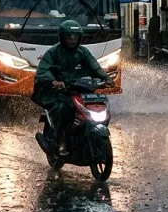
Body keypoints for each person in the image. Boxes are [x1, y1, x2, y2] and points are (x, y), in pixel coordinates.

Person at [33, 20, 110, 156]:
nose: (72, 40)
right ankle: (59, 140)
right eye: (69, 36)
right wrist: (54, 81)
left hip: (78, 89)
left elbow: (94, 66)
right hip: (56, 92)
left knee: (96, 104)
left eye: (75, 36)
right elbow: (42, 71)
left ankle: (89, 135)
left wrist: (105, 77)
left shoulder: (83, 52)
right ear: (62, 37)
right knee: (63, 108)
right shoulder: (53, 52)